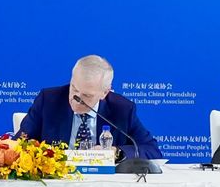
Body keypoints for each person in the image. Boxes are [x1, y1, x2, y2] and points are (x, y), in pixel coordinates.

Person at [17, 55, 163, 159]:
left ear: (104, 92)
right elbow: (19, 143)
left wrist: (116, 151)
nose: (76, 99)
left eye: (86, 96)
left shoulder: (123, 109)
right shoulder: (48, 100)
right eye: (74, 89)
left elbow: (151, 150)